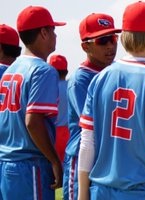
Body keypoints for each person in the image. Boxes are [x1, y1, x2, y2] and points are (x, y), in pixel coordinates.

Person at [77, 2, 145, 199]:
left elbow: (87, 143)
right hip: (143, 190)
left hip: (100, 191)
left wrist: (82, 194)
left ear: (124, 37)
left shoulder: (100, 78)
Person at [0, 5, 65, 200]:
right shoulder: (43, 70)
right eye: (53, 30)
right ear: (44, 33)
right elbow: (33, 122)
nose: (55, 35)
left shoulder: (10, 70)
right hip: (30, 165)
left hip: (5, 162)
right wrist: (54, 160)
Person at [63, 13, 121, 200]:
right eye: (102, 40)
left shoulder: (114, 73)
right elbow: (92, 126)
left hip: (104, 158)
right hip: (81, 158)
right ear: (85, 46)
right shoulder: (80, 79)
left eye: (113, 38)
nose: (110, 46)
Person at [48, 54, 69, 164]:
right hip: (70, 132)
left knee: (53, 170)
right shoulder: (71, 86)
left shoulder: (48, 87)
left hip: (53, 133)